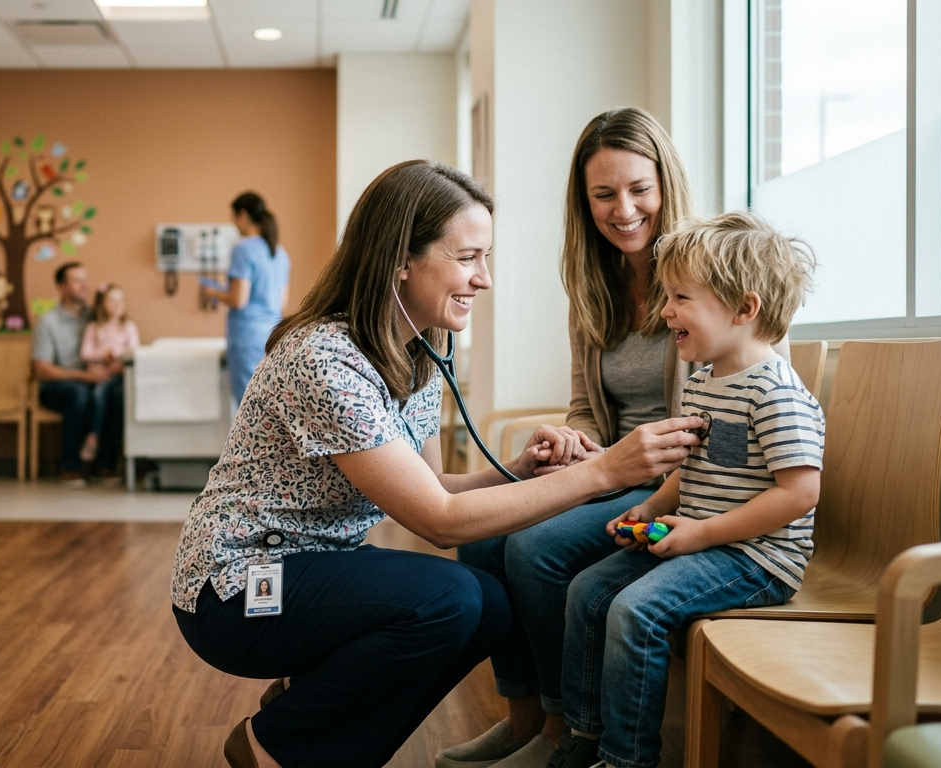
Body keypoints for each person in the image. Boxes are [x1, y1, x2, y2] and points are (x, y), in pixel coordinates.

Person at [170, 160, 704, 768]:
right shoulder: (325, 358)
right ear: (401, 259)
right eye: (468, 258)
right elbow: (439, 520)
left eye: (487, 258)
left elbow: (434, 485)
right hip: (237, 589)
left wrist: (519, 469)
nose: (485, 279)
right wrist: (607, 470)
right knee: (448, 599)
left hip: (314, 567)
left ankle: (305, 717)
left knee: (489, 608)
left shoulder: (420, 347)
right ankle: (277, 748)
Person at [554, 212, 822, 768]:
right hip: (704, 540)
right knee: (587, 590)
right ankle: (584, 735)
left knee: (634, 611)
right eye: (665, 296)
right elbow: (692, 468)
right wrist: (648, 507)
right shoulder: (705, 379)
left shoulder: (776, 393)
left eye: (680, 298)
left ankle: (625, 759)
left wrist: (701, 534)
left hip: (757, 558)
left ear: (744, 309)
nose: (665, 311)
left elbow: (799, 495)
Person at [32, 262, 123, 488]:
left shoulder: (95, 317)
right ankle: (71, 467)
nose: (85, 286)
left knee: (118, 393)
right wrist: (84, 377)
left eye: (86, 279)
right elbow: (42, 369)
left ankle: (105, 465)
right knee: (79, 394)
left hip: (95, 380)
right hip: (58, 385)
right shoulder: (48, 322)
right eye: (77, 281)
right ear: (62, 287)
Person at [202, 192, 291, 406]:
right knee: (268, 400)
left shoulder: (243, 249)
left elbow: (239, 300)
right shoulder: (280, 253)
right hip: (273, 335)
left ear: (243, 215)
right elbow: (281, 302)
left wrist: (214, 292)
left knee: (248, 403)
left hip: (247, 337)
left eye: (233, 217)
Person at [78, 283, 139, 474]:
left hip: (118, 377)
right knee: (100, 392)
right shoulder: (94, 327)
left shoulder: (127, 327)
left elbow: (134, 352)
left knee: (113, 395)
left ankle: (96, 440)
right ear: (101, 304)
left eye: (121, 300)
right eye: (112, 300)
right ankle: (94, 437)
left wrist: (117, 357)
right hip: (97, 378)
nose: (117, 305)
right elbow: (85, 354)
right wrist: (104, 354)